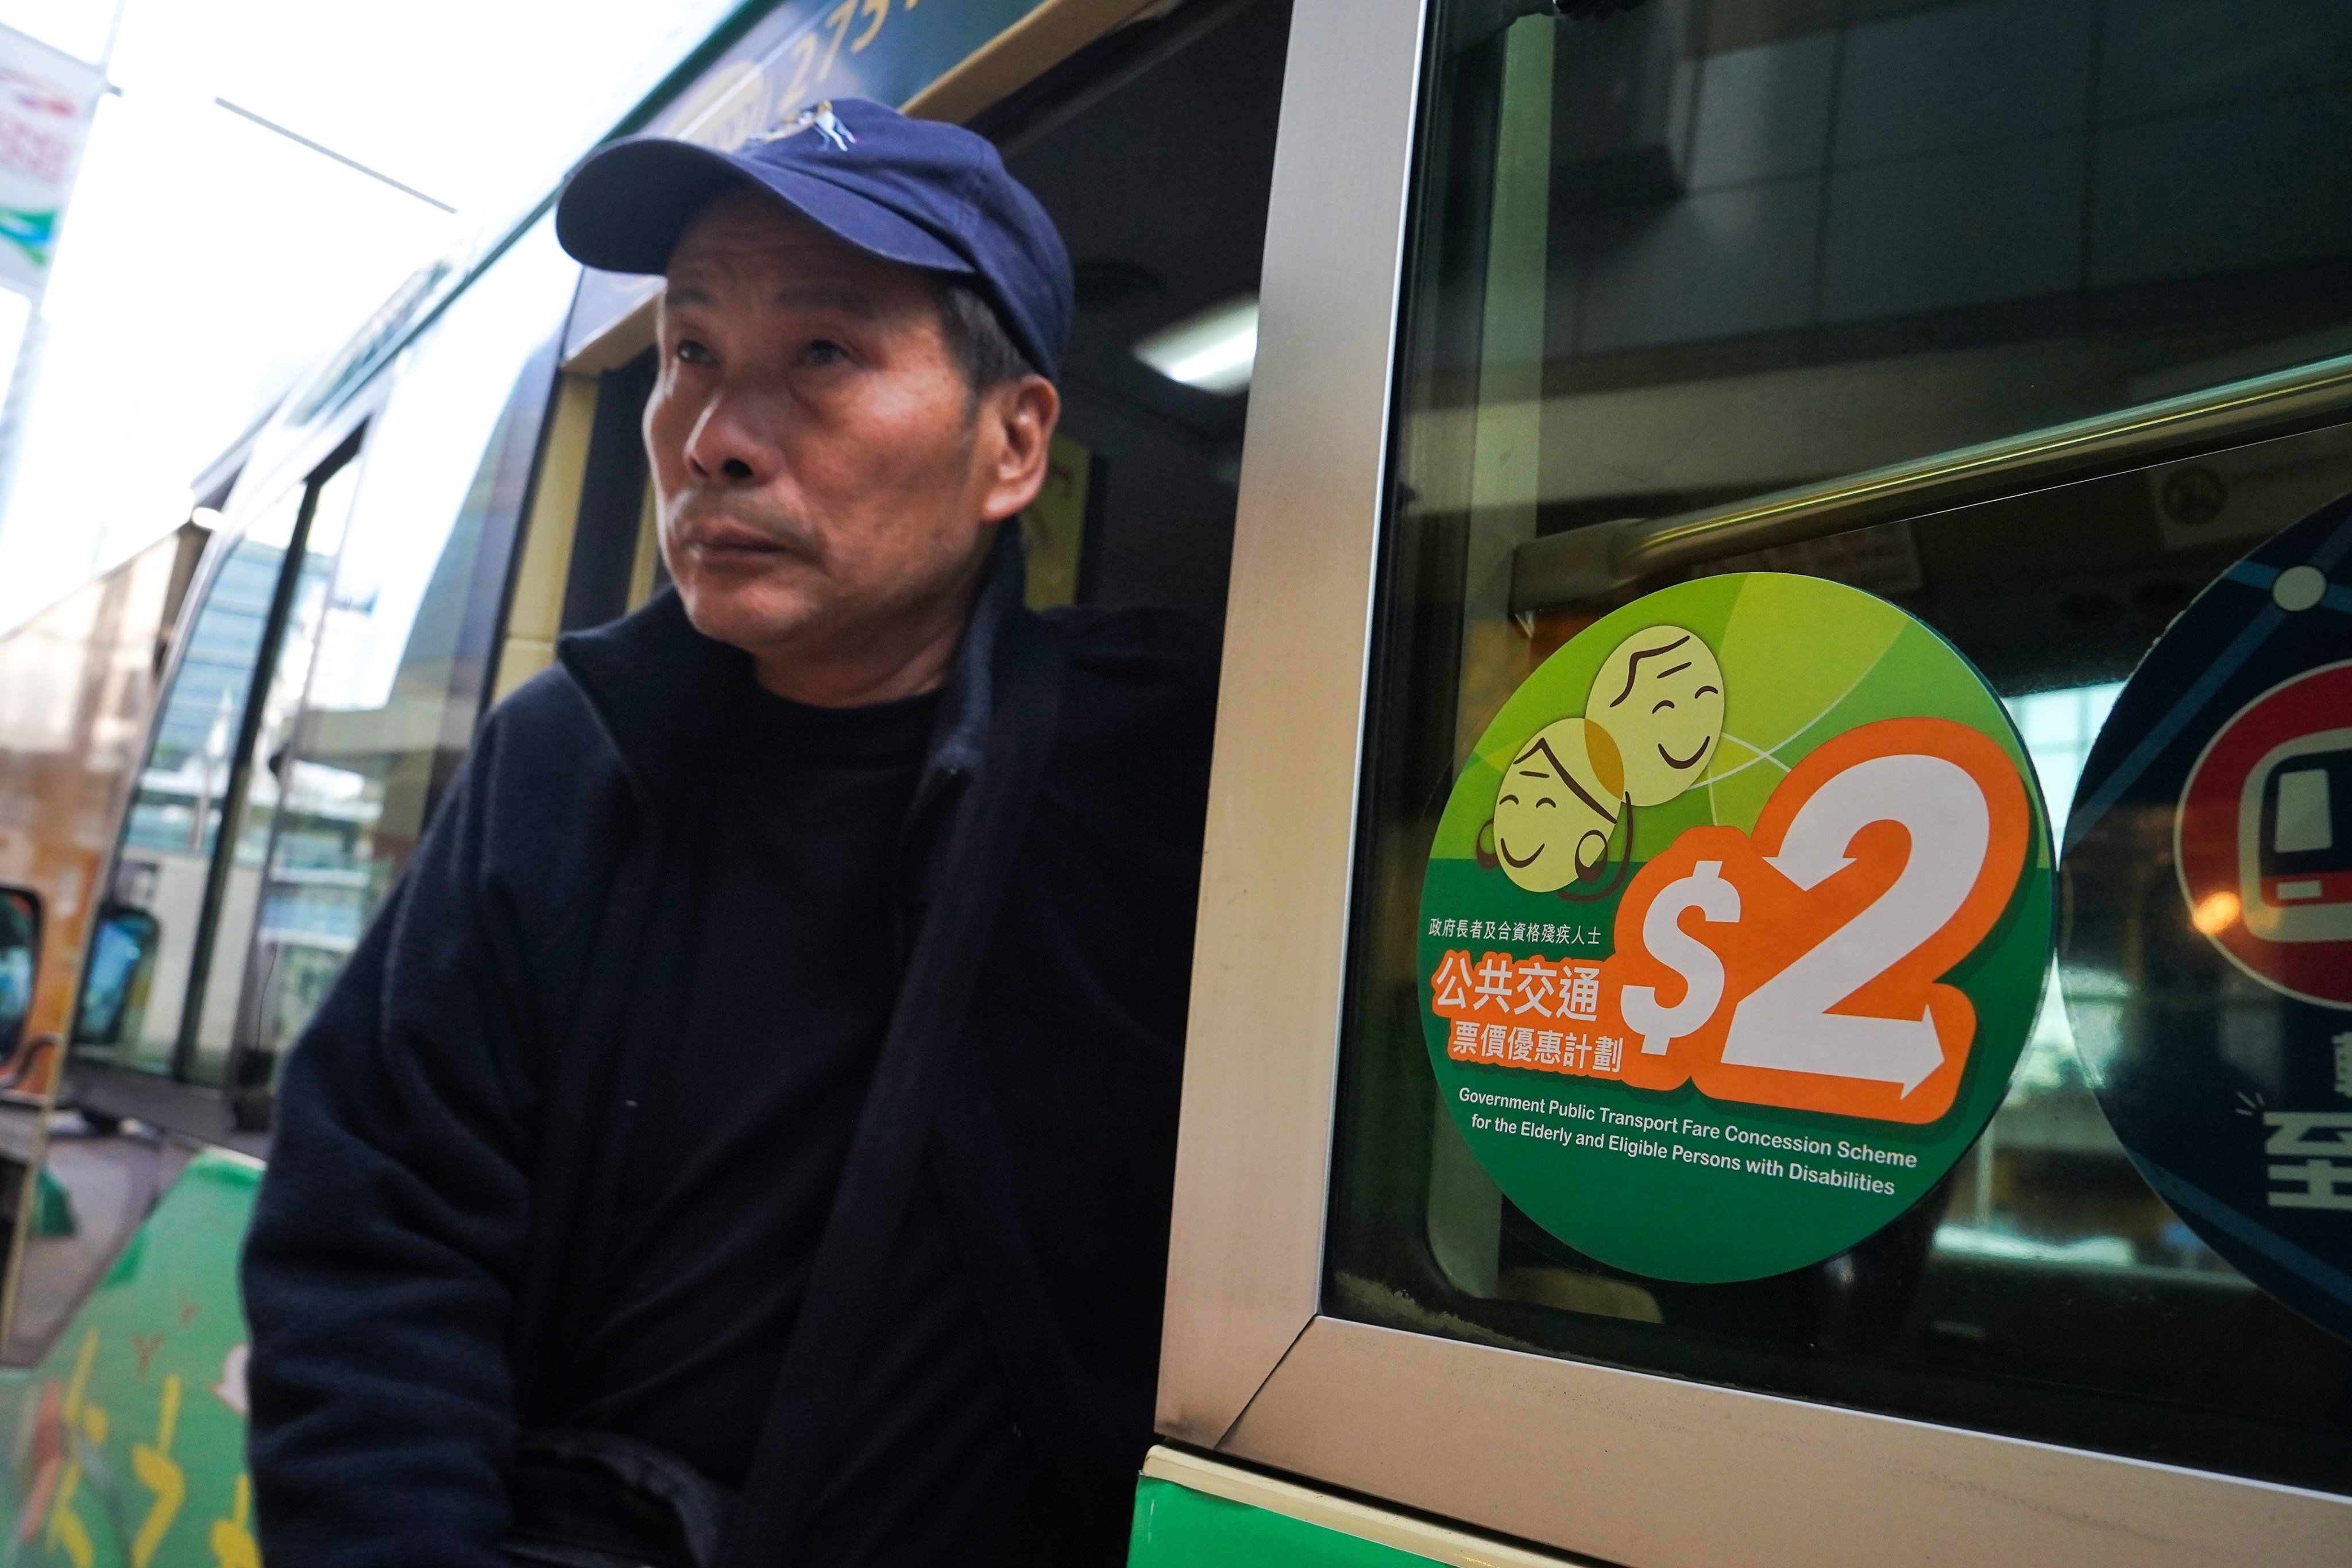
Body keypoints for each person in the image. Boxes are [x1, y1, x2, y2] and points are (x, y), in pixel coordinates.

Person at [240, 98, 1216, 1568]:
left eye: (822, 354)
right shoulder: (563, 768)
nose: (714, 438)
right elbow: (378, 1250)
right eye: (690, 351)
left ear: (1011, 445)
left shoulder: (1165, 770)